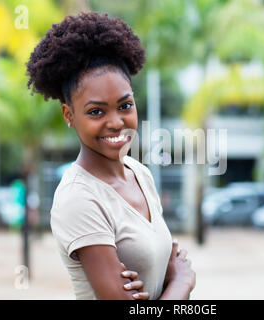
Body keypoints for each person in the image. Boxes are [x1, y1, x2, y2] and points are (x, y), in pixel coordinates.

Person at [26, 12, 195, 300]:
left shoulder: (139, 174)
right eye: (96, 111)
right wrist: (182, 281)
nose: (116, 122)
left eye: (125, 105)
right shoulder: (79, 198)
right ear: (69, 115)